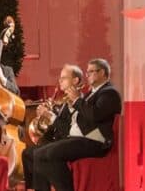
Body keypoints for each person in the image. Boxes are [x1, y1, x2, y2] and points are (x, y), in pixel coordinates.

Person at [31, 58, 122, 191]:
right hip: (82, 138)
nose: (87, 75)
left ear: (102, 73)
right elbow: (81, 116)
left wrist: (77, 100)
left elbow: (95, 115)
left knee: (51, 154)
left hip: (95, 141)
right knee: (38, 154)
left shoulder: (109, 92)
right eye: (87, 72)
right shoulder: (92, 93)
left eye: (91, 71)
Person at [22, 64, 81, 190]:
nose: (60, 81)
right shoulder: (63, 101)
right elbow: (54, 126)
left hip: (69, 142)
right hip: (57, 139)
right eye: (60, 78)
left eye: (64, 78)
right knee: (27, 153)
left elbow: (68, 129)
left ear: (75, 80)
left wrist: (49, 115)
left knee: (38, 153)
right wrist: (44, 116)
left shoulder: (78, 101)